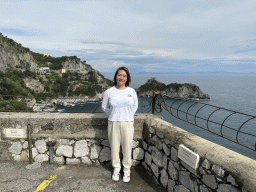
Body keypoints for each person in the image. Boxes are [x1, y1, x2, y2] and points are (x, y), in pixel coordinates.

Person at [101, 66, 138, 182]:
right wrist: (112, 114)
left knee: (127, 148)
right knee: (115, 147)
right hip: (114, 122)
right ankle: (116, 169)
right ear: (116, 76)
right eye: (119, 75)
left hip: (127, 123)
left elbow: (135, 106)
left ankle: (127, 171)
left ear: (127, 78)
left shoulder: (131, 91)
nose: (121, 77)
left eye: (124, 75)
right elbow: (104, 106)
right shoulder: (109, 92)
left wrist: (127, 115)